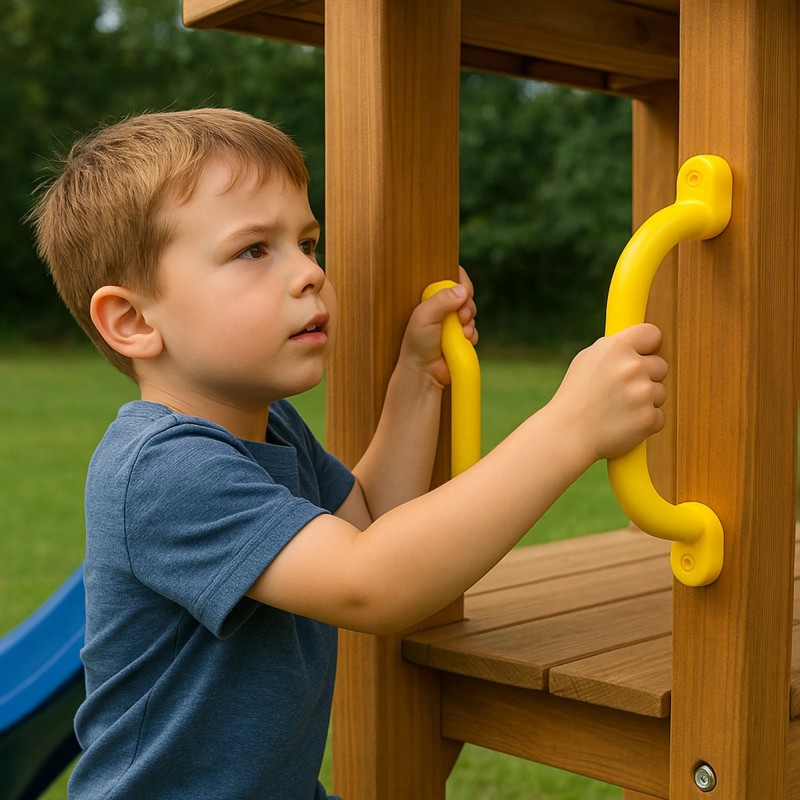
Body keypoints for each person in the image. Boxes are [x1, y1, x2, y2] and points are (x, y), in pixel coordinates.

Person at [29, 108, 667, 799]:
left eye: (307, 242)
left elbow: (364, 521)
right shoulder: (162, 468)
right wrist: (569, 428)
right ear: (133, 320)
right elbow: (370, 582)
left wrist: (417, 381)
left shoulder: (271, 427)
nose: (308, 273)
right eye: (254, 251)